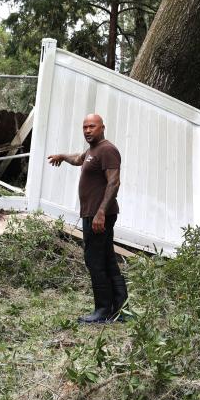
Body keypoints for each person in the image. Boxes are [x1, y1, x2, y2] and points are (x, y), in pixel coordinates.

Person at [47, 113, 127, 323]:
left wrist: (100, 213)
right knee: (107, 259)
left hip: (99, 215)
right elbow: (78, 159)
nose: (88, 130)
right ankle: (120, 308)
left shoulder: (108, 149)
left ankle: (102, 310)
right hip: (94, 214)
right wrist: (62, 157)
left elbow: (114, 183)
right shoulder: (93, 151)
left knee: (94, 260)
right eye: (85, 127)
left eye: (92, 126)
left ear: (102, 128)